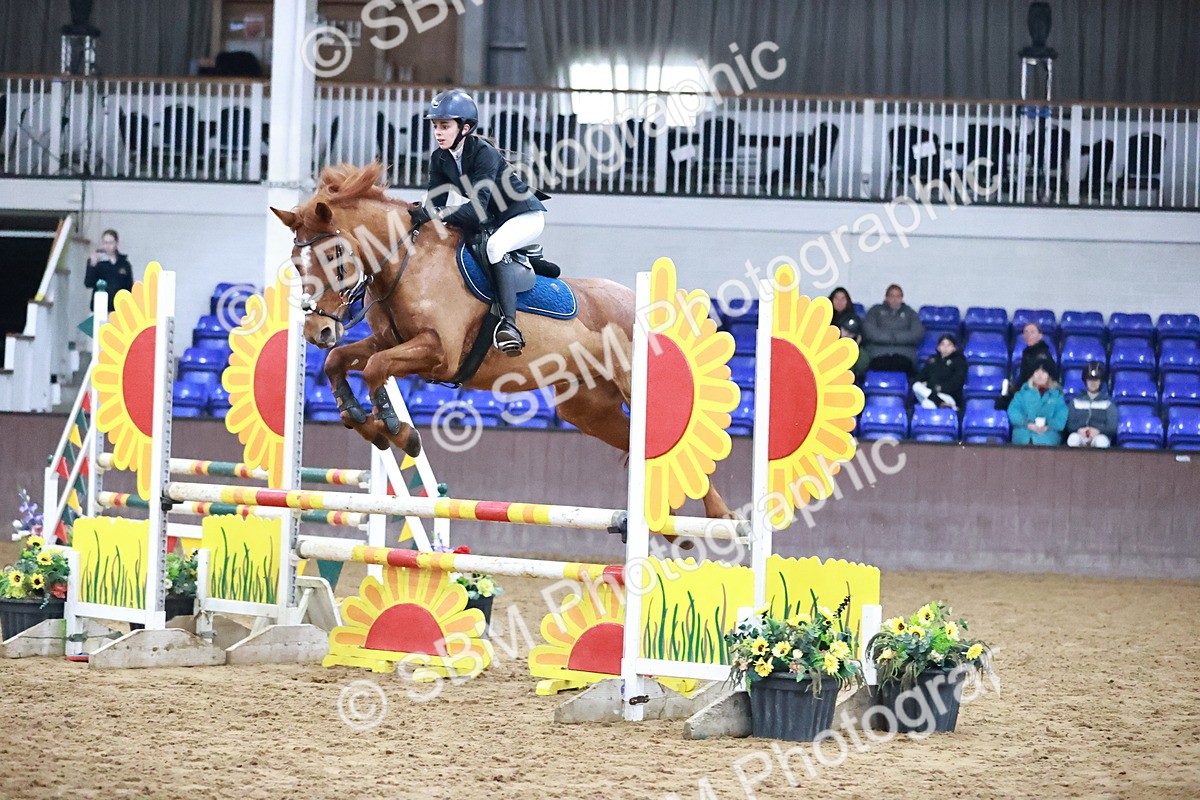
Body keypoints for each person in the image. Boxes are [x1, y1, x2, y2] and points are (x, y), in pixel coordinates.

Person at [408, 88, 547, 356]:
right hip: (493, 219)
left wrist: (434, 214)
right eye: (436, 126)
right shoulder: (440, 158)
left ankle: (510, 325)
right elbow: (434, 202)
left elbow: (474, 212)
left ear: (465, 127)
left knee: (495, 247)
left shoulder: (484, 153)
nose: (438, 132)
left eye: (445, 126)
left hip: (523, 216)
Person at [861, 284, 924, 375]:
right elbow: (869, 331)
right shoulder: (875, 311)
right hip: (878, 355)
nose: (895, 300)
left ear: (902, 298)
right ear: (886, 297)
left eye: (898, 296)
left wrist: (894, 337)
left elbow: (917, 333)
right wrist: (892, 337)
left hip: (904, 356)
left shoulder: (910, 313)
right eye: (892, 296)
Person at [1008, 359, 1069, 446]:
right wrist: (1027, 424)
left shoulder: (1057, 396)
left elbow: (1061, 416)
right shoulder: (1021, 394)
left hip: (1049, 434)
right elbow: (1013, 411)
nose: (1039, 375)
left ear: (1049, 376)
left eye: (1043, 372)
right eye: (1037, 372)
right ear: (1032, 374)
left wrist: (1048, 427)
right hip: (1024, 433)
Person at [995, 322, 1054, 411]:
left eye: (1032, 332)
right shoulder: (1027, 353)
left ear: (1040, 335)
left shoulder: (1043, 356)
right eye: (1025, 332)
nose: (1028, 335)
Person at [1066, 361, 1117, 448]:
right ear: (1085, 381)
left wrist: (1097, 430)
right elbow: (1069, 424)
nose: (1093, 383)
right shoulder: (1075, 401)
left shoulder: (1108, 402)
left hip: (1099, 435)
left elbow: (1112, 427)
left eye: (1096, 380)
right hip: (1080, 434)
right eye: (1090, 379)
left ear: (1101, 381)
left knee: (1101, 442)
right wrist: (1080, 430)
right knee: (1072, 439)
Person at [83, 229, 134, 312]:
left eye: (111, 243)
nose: (108, 246)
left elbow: (129, 287)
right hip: (100, 308)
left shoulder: (124, 263)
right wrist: (92, 266)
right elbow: (88, 283)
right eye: (105, 243)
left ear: (116, 243)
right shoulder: (96, 261)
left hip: (120, 309)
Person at [912, 334, 967, 409]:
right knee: (916, 386)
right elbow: (919, 378)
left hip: (948, 396)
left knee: (927, 403)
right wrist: (933, 388)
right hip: (930, 394)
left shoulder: (959, 362)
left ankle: (947, 406)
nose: (945, 348)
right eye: (942, 344)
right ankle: (939, 402)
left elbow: (956, 383)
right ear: (938, 347)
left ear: (954, 348)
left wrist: (933, 386)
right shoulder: (932, 360)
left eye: (949, 345)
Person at [829, 287, 868, 380]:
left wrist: (853, 342)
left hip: (849, 350)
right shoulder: (824, 318)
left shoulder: (854, 318)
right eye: (836, 298)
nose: (839, 302)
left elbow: (861, 337)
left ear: (848, 301)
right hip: (828, 352)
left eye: (843, 299)